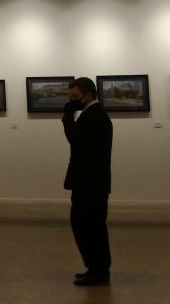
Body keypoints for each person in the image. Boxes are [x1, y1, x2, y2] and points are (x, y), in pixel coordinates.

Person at [62, 77, 113, 286]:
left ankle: (99, 271)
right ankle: (95, 268)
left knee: (90, 226)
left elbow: (75, 139)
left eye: (75, 96)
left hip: (91, 183)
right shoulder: (92, 114)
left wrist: (67, 117)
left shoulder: (95, 116)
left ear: (88, 94)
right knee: (87, 225)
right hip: (89, 181)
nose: (72, 100)